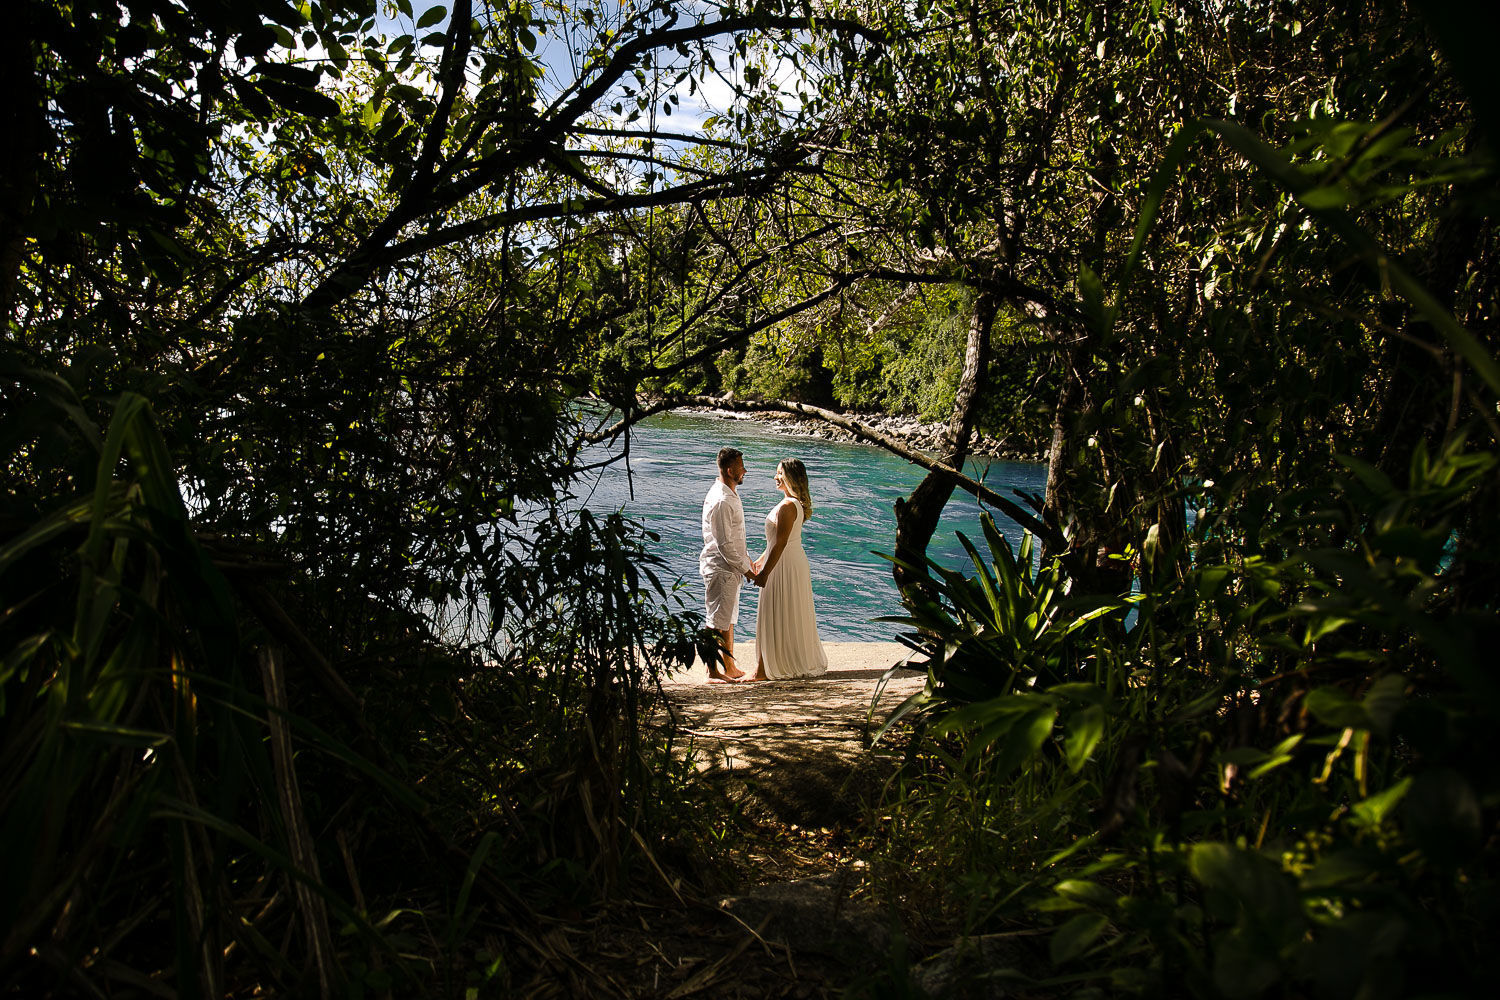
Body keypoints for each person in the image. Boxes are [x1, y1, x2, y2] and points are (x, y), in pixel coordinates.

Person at [749, 458, 828, 681]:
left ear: (790, 477)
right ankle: (767, 666)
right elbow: (777, 540)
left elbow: (781, 542)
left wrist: (764, 572)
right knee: (782, 612)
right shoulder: (792, 504)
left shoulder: (787, 506)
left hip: (784, 563)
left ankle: (762, 670)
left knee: (772, 611)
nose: (775, 477)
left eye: (779, 474)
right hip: (789, 560)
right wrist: (760, 560)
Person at [700, 446, 754, 681]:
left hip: (729, 569)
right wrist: (748, 570)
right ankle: (712, 670)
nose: (745, 471)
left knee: (727, 620)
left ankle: (729, 666)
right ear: (730, 470)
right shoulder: (722, 499)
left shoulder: (728, 493)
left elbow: (736, 537)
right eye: (741, 467)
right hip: (720, 568)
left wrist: (747, 562)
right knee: (715, 622)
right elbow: (724, 544)